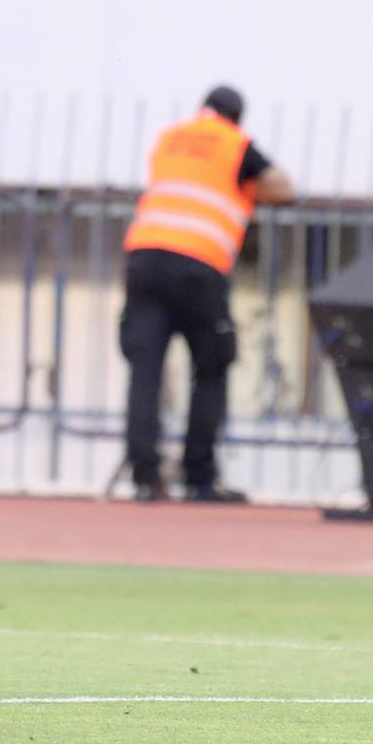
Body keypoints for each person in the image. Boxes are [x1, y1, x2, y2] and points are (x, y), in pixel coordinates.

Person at [119, 86, 294, 503]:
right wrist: (251, 191)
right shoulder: (237, 144)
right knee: (211, 368)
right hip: (198, 264)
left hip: (144, 259)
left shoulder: (170, 138)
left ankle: (145, 477)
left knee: (145, 371)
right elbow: (282, 187)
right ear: (236, 116)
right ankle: (199, 476)